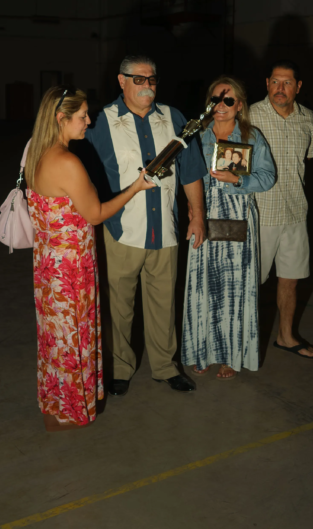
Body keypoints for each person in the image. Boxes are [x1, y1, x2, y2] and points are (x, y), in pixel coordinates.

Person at [25, 86, 155, 431]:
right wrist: (137, 187)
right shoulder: (66, 161)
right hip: (70, 268)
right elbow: (96, 213)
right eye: (82, 115)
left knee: (54, 339)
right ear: (60, 118)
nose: (88, 120)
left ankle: (55, 404)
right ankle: (70, 410)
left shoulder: (36, 154)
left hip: (47, 265)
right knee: (71, 339)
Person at [81, 55, 207, 395]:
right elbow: (84, 179)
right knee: (119, 305)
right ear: (121, 81)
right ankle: (120, 367)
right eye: (139, 79)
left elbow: (192, 170)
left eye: (152, 79)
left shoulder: (174, 117)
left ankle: (165, 366)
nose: (147, 86)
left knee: (164, 303)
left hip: (165, 229)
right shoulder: (99, 123)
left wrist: (197, 214)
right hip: (121, 230)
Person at [182, 77, 275, 380]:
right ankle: (202, 351)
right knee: (203, 288)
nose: (220, 106)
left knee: (234, 292)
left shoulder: (251, 137)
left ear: (240, 106)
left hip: (237, 220)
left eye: (228, 101)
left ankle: (230, 356)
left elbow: (268, 177)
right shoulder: (197, 136)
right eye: (215, 100)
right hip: (203, 217)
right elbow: (185, 176)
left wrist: (237, 180)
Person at [250, 61, 313, 359]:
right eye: (275, 82)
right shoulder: (250, 115)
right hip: (260, 214)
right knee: (249, 283)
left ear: (298, 86)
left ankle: (286, 336)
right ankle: (237, 345)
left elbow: (308, 159)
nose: (280, 88)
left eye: (287, 82)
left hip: (295, 213)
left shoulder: (308, 119)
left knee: (290, 280)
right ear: (267, 83)